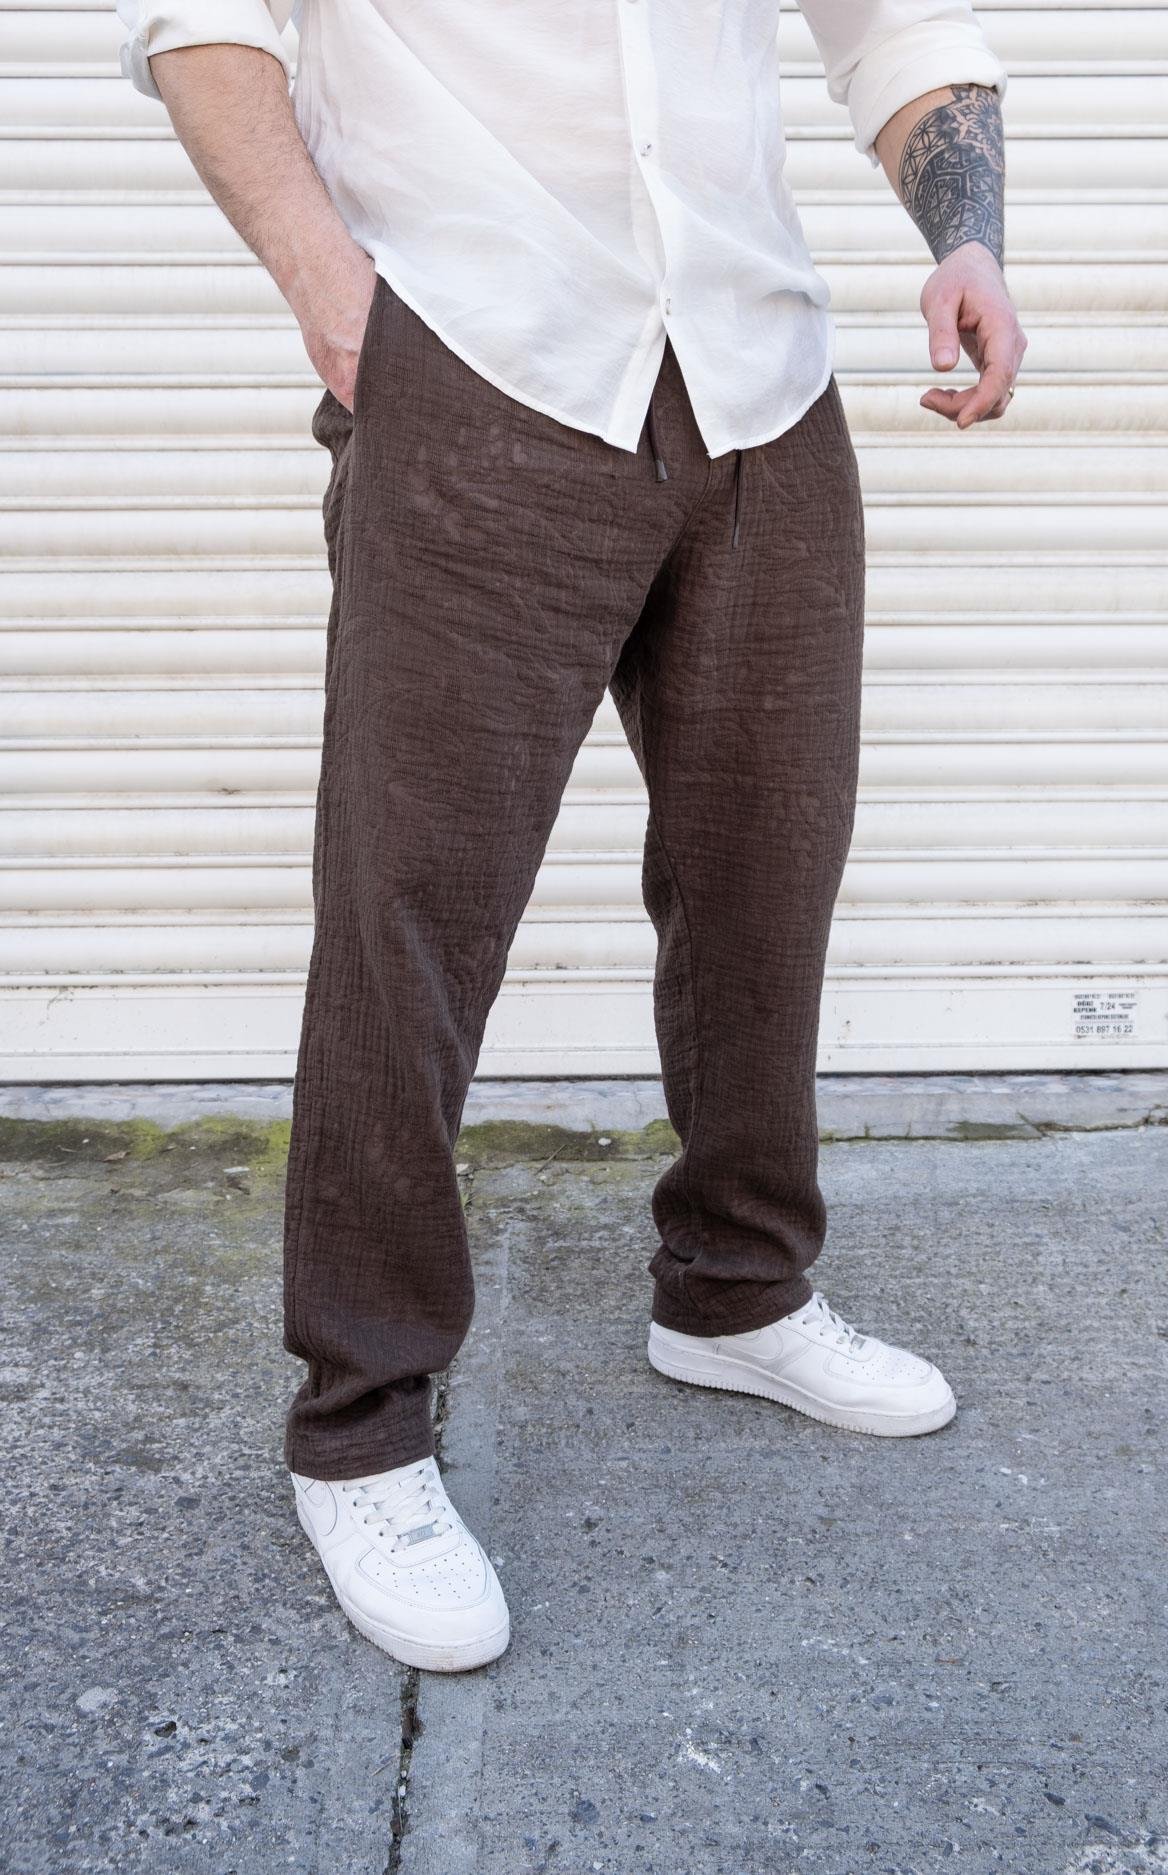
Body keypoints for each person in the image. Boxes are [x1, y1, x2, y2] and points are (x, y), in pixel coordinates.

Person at [117, 0, 1026, 1676]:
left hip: (757, 380)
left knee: (766, 876)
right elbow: (201, 19)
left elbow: (897, 32)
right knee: (412, 910)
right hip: (479, 360)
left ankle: (736, 1293)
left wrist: (966, 238)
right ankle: (361, 1427)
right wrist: (338, 301)